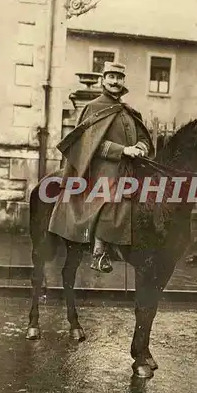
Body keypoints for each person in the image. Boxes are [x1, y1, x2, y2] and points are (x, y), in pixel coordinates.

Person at [48, 62, 155, 273]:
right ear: (103, 80)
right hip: (99, 168)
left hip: (129, 168)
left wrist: (141, 147)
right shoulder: (93, 107)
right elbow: (88, 144)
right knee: (110, 195)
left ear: (123, 81)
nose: (115, 81)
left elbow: (144, 137)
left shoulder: (128, 111)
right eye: (111, 76)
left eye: (119, 77)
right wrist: (122, 151)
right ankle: (99, 252)